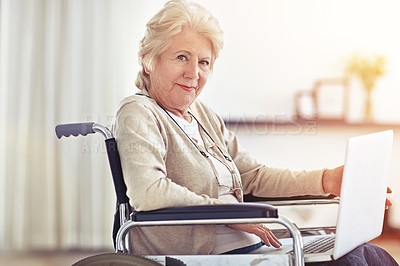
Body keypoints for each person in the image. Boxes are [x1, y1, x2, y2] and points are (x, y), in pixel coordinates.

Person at [113, 0, 398, 265]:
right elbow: (148, 192)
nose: (194, 73)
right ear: (149, 60)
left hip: (255, 247)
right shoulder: (138, 112)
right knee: (352, 261)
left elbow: (254, 176)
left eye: (204, 62)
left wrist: (327, 180)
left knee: (371, 253)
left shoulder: (203, 116)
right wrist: (229, 215)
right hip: (208, 256)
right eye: (181, 57)